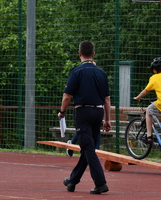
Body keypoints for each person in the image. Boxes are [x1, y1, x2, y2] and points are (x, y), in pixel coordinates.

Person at [58, 41, 111, 194]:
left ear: (79, 53)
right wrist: (107, 120)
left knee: (88, 148)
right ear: (93, 54)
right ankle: (73, 180)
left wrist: (62, 111)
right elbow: (107, 99)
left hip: (83, 113)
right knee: (87, 148)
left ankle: (101, 184)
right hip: (98, 112)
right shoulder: (101, 73)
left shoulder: (77, 71)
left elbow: (67, 96)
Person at [66, 60, 101, 157]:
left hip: (96, 108)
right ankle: (72, 144)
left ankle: (96, 149)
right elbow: (68, 94)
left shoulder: (98, 77)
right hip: (84, 108)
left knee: (94, 129)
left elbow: (105, 96)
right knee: (84, 130)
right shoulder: (81, 75)